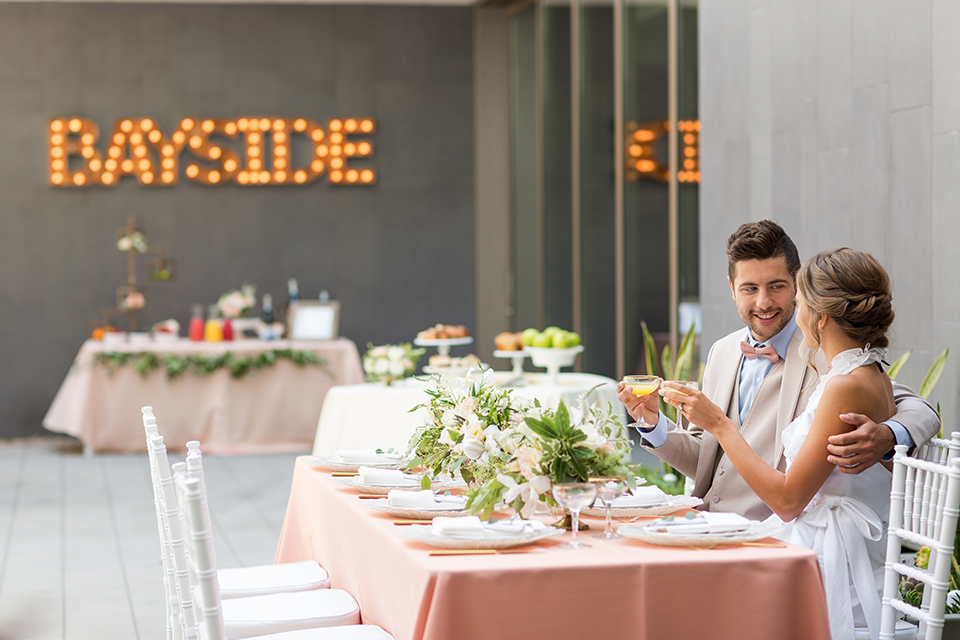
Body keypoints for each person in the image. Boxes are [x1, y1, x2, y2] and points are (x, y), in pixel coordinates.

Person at [617, 220, 939, 521]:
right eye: (749, 289)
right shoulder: (721, 352)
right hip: (710, 526)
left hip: (777, 532)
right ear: (732, 288)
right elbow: (708, 460)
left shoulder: (828, 353)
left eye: (776, 286)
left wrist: (888, 436)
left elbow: (919, 408)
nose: (764, 302)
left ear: (798, 286)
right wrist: (654, 423)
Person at [659, 248, 900, 640]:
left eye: (797, 299)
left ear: (820, 317)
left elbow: (788, 503)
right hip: (816, 539)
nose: (789, 309)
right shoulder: (867, 372)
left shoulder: (843, 383)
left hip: (828, 555)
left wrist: (720, 424)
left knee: (691, 600)